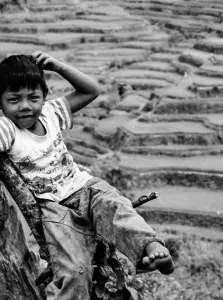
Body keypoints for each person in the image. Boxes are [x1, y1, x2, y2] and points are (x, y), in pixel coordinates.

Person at [0, 52, 174, 299]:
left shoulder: (51, 112)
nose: (25, 105)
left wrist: (59, 67)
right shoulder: (8, 129)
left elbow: (91, 90)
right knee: (75, 270)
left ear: (44, 96)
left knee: (118, 209)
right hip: (54, 209)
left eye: (33, 97)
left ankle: (150, 247)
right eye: (14, 99)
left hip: (85, 187)